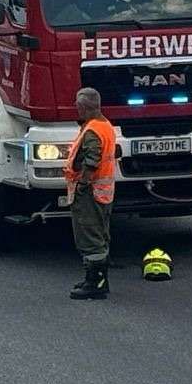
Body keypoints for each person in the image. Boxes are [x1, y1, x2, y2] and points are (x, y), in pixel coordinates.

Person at [63, 86, 118, 301]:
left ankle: (95, 283)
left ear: (83, 107)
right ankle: (97, 279)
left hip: (90, 192)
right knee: (100, 234)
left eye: (78, 107)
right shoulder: (105, 125)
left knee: (89, 236)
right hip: (103, 192)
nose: (76, 110)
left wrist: (83, 184)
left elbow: (92, 160)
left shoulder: (93, 130)